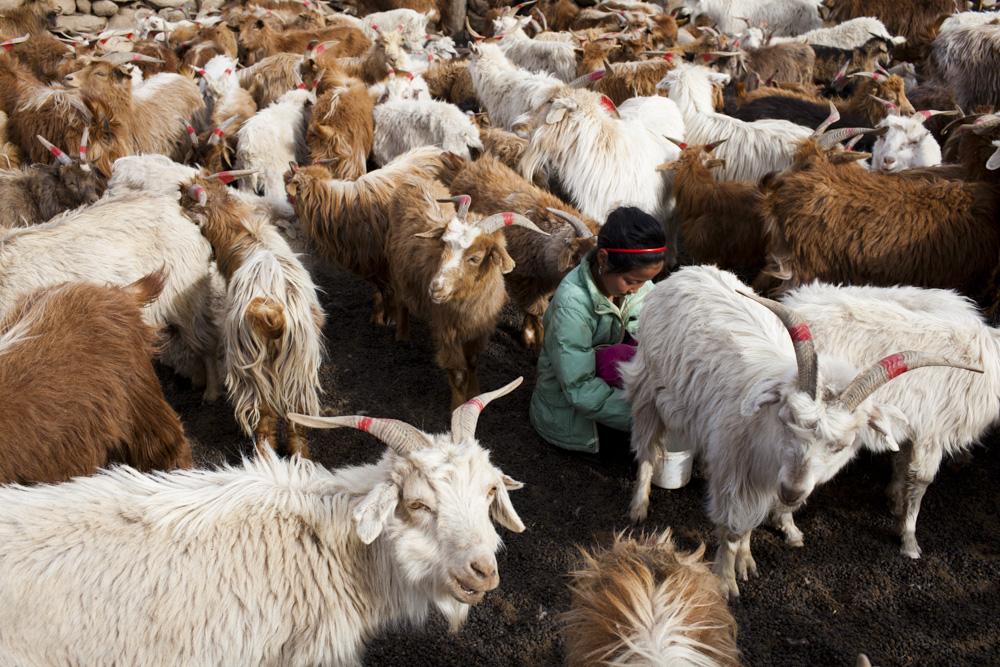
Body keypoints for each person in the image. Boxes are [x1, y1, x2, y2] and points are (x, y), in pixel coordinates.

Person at [529, 205, 667, 457]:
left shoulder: (636, 286)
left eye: (646, 281)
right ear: (603, 259)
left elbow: (648, 335)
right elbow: (578, 385)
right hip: (569, 411)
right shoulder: (572, 303)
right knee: (621, 358)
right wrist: (647, 419)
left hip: (605, 376)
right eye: (633, 280)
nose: (638, 288)